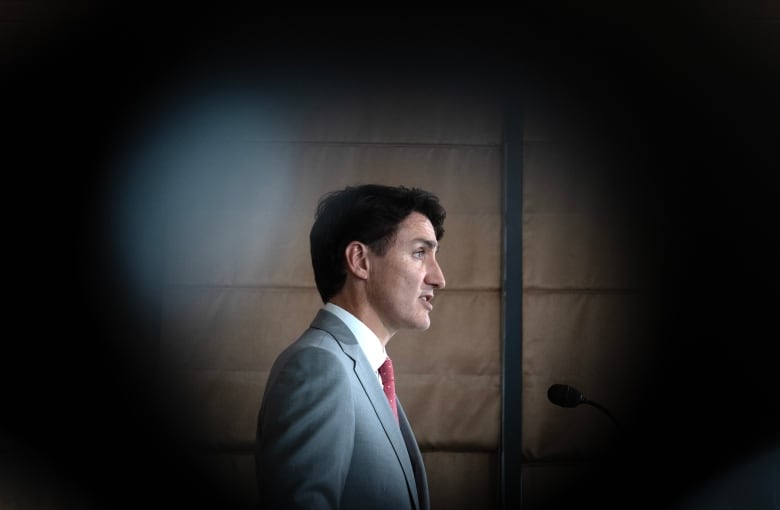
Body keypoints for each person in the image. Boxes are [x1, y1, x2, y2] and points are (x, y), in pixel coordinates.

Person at [255, 184, 446, 510]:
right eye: (419, 253)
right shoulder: (318, 366)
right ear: (360, 260)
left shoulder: (365, 371)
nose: (439, 278)